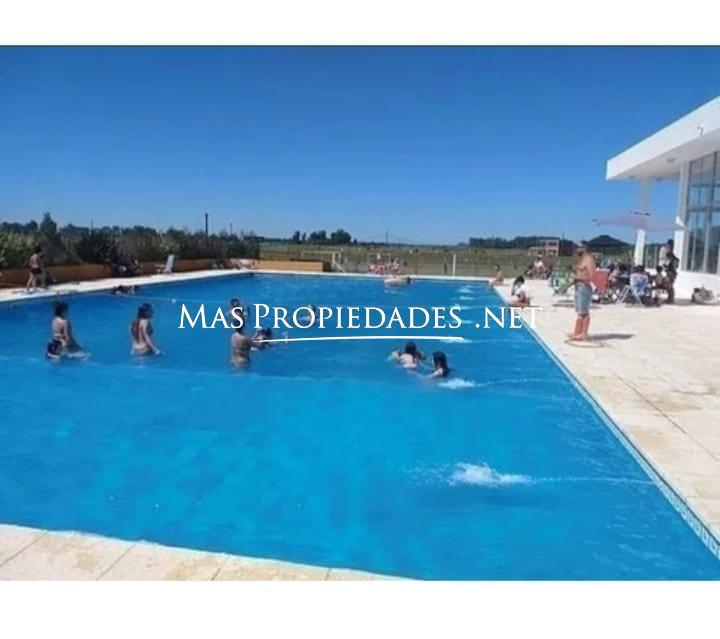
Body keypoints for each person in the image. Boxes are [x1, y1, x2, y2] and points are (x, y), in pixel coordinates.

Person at [568, 242, 596, 341]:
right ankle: (577, 332)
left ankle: (583, 334)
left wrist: (577, 277)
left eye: (578, 248)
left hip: (584, 287)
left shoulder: (589, 260)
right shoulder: (582, 259)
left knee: (584, 311)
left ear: (584, 248)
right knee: (579, 311)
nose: (576, 250)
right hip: (579, 286)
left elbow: (591, 276)